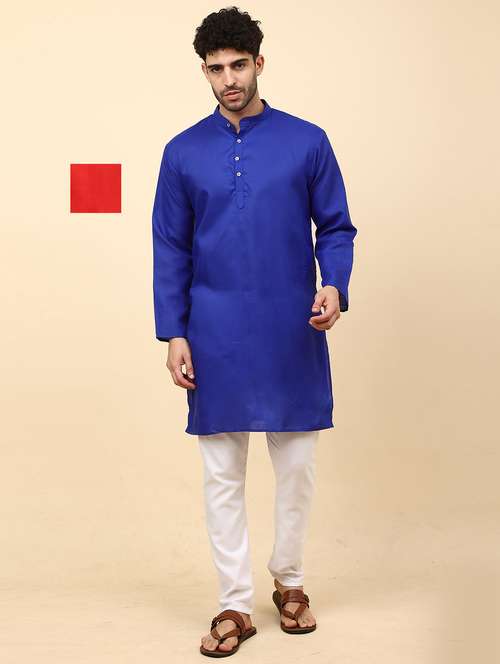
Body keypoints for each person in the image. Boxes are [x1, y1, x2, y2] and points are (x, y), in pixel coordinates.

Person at [151, 6, 358, 657]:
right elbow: (170, 247)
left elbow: (337, 227)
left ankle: (289, 581)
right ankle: (234, 604)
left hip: (291, 327)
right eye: (216, 69)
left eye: (238, 65)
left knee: (296, 468)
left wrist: (334, 285)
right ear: (205, 73)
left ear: (259, 63)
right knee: (221, 473)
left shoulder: (307, 141)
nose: (229, 79)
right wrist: (174, 333)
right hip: (212, 332)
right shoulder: (182, 152)